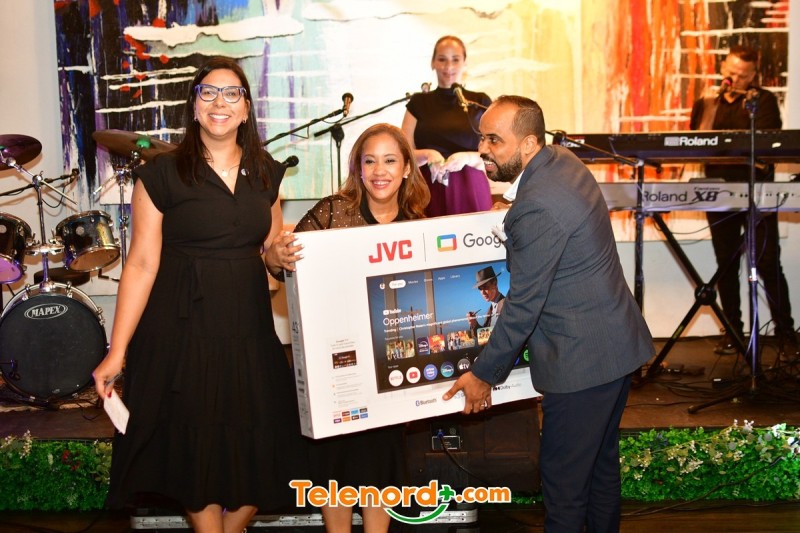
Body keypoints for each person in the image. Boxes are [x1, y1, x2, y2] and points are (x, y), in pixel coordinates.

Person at [92, 57, 307, 533]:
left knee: (268, 444)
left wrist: (279, 257)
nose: (219, 102)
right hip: (180, 331)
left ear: (246, 109)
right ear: (193, 106)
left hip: (248, 331)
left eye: (231, 93)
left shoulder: (267, 174)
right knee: (195, 455)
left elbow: (270, 259)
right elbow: (141, 264)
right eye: (207, 92)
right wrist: (117, 351)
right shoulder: (161, 174)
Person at [443, 95, 654, 532]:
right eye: (481, 137)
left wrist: (483, 375)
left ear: (528, 144)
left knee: (565, 491)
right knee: (599, 472)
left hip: (582, 365)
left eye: (494, 140)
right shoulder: (561, 161)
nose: (482, 149)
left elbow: (522, 304)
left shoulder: (536, 206)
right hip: (615, 347)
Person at [270, 123, 429, 532]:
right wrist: (275, 256)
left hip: (389, 370)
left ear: (407, 168)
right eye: (369, 161)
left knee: (380, 466)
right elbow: (282, 266)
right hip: (335, 365)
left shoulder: (419, 227)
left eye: (390, 160)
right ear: (358, 169)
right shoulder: (331, 212)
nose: (380, 170)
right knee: (335, 467)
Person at [689, 44, 798, 360]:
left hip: (756, 193)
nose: (734, 79)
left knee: (767, 263)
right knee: (726, 263)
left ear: (753, 76)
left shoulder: (763, 100)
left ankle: (786, 335)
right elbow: (698, 141)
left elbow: (765, 143)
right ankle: (733, 332)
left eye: (742, 76)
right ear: (724, 67)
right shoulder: (707, 101)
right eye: (731, 72)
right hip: (720, 192)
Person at [401, 35, 492, 217]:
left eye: (455, 59)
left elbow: (495, 153)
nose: (448, 66)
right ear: (433, 63)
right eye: (442, 59)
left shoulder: (480, 102)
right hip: (427, 188)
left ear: (465, 63)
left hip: (470, 187)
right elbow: (403, 152)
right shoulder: (418, 102)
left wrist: (468, 157)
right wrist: (427, 154)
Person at [466, 265, 505, 336]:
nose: (482, 292)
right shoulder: (490, 310)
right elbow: (486, 336)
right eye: (480, 288)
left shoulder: (506, 305)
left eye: (485, 287)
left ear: (495, 283)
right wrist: (474, 323)